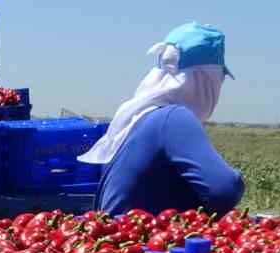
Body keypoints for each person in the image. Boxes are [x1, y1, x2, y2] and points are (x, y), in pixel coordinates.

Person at [82, 22, 244, 217]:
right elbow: (224, 191)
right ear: (204, 78)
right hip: (143, 235)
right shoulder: (173, 118)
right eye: (220, 78)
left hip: (122, 231)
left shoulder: (139, 117)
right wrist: (236, 177)